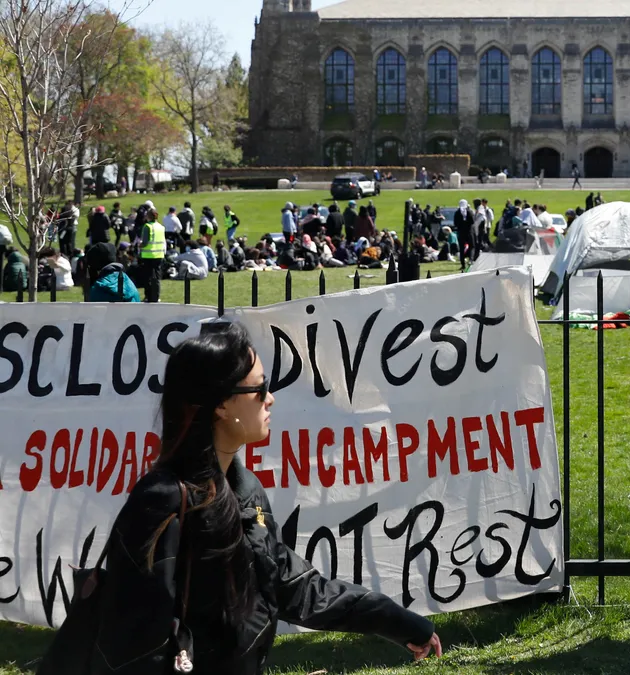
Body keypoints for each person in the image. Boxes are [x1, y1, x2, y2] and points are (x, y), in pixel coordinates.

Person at [55, 324, 441, 674]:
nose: (270, 399)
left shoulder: (244, 489)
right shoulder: (160, 503)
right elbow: (136, 645)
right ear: (220, 404)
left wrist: (399, 622)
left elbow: (296, 588)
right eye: (258, 389)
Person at [140, 207, 166, 303]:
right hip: (159, 254)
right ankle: (156, 296)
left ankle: (148, 296)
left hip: (148, 255)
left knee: (148, 277)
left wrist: (139, 245)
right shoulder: (161, 227)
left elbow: (145, 242)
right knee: (157, 277)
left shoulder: (147, 226)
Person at [454, 199, 474, 270]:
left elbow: (455, 223)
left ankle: (463, 264)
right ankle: (471, 260)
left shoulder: (457, 213)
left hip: (461, 233)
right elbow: (472, 221)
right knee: (471, 246)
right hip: (469, 232)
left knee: (461, 249)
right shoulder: (469, 212)